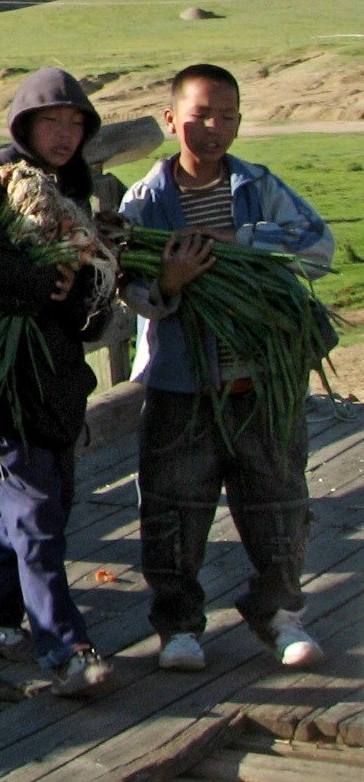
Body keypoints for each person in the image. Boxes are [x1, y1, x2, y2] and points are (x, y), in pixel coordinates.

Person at [119, 63, 336, 674]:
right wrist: (169, 282)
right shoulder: (146, 201)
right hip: (181, 385)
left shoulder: (258, 187)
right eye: (200, 116)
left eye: (226, 116)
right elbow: (127, 288)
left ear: (239, 122)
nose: (213, 128)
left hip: (261, 381)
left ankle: (279, 615)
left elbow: (318, 247)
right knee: (173, 509)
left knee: (278, 502)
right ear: (171, 120)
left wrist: (242, 240)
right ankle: (179, 627)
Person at [0, 68, 115, 698]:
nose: (64, 135)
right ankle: (65, 649)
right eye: (51, 122)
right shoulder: (7, 174)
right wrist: (40, 284)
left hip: (58, 376)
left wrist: (83, 290)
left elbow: (88, 280)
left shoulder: (76, 187)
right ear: (24, 125)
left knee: (47, 507)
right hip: (7, 377)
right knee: (38, 515)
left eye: (75, 124)